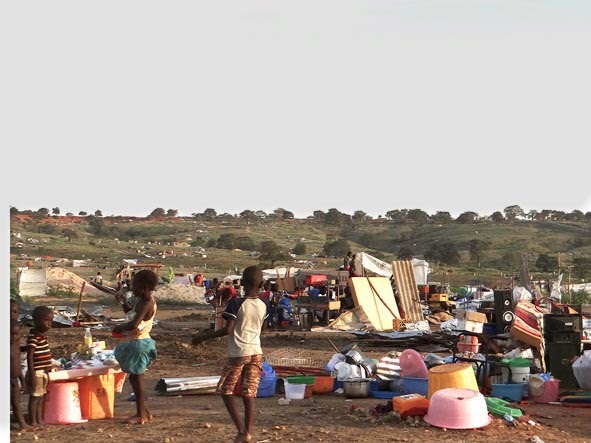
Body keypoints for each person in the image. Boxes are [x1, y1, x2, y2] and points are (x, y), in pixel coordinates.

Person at [191, 265, 270, 443]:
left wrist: (202, 338)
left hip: (238, 352)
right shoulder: (265, 304)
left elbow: (227, 330)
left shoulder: (236, 303)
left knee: (226, 390)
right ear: (262, 283)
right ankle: (248, 432)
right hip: (256, 351)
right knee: (249, 392)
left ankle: (241, 430)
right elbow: (263, 328)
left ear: (241, 283)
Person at [113, 269, 158, 425]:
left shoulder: (147, 303)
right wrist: (122, 302)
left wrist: (118, 328)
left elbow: (134, 323)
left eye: (135, 285)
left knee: (138, 381)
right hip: (138, 342)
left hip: (140, 343)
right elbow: (131, 313)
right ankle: (145, 411)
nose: (132, 288)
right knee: (134, 378)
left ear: (145, 287)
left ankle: (141, 415)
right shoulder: (141, 301)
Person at [26, 305, 54, 429]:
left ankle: (39, 420)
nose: (49, 324)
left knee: (40, 397)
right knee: (35, 397)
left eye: (51, 321)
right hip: (36, 373)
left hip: (43, 372)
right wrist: (31, 373)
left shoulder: (42, 336)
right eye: (47, 321)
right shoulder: (34, 337)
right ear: (36, 320)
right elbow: (29, 355)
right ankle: (33, 421)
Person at [11, 319, 33, 431]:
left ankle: (22, 423)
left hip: (14, 379)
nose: (13, 337)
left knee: (17, 402)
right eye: (10, 334)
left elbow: (17, 364)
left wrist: (22, 379)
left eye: (16, 334)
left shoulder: (15, 346)